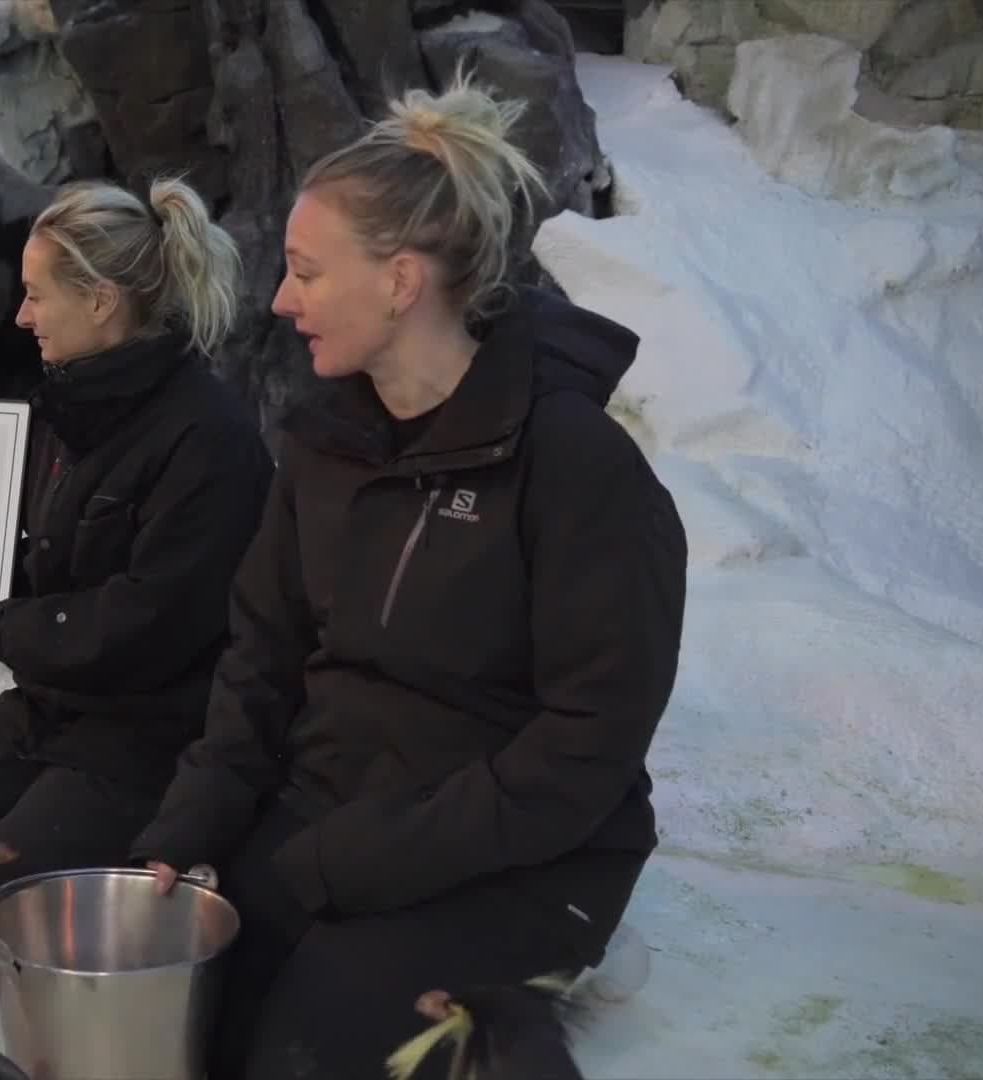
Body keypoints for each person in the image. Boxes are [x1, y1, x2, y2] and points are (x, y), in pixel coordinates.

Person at [126, 68, 688, 1079]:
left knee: (301, 1052)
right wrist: (189, 827)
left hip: (528, 857)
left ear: (400, 281)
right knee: (181, 1010)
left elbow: (584, 751)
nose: (281, 298)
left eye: (306, 271)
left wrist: (354, 862)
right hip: (335, 817)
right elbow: (261, 657)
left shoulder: (577, 468)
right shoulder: (324, 444)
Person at [0, 176, 274, 903]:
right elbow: (25, 558)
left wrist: (9, 623)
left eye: (36, 293)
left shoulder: (210, 441)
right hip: (49, 705)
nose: (20, 316)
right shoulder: (59, 411)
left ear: (100, 300)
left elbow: (155, 620)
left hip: (150, 731)